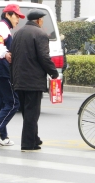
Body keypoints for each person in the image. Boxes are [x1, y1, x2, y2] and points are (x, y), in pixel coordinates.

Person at [11, 9, 59, 151]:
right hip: (33, 80)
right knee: (32, 112)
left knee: (27, 112)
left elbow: (13, 57)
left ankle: (34, 139)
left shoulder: (18, 33)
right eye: (42, 19)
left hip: (19, 80)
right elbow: (44, 57)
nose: (42, 22)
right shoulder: (40, 34)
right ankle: (27, 143)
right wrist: (54, 73)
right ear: (38, 20)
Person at [0, 4, 25, 146]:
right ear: (8, 14)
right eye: (16, 16)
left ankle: (2, 137)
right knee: (13, 102)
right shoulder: (2, 27)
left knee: (1, 104)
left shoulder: (1, 28)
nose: (18, 19)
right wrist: (5, 53)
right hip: (2, 72)